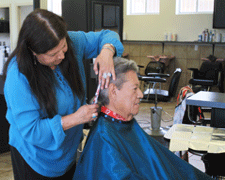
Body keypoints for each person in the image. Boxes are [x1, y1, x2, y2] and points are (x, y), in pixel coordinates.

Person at [3, 9, 123, 179]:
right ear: (33, 52)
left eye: (63, 47)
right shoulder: (18, 76)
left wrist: (107, 51)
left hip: (67, 152)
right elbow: (32, 131)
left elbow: (108, 35)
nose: (61, 56)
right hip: (34, 158)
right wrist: (76, 118)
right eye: (53, 54)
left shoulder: (72, 42)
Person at [73, 57, 212, 180]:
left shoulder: (125, 123)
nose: (141, 94)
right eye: (135, 89)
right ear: (113, 91)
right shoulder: (103, 138)